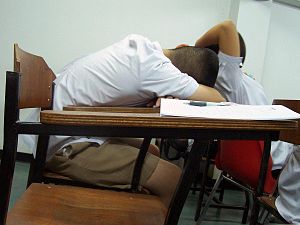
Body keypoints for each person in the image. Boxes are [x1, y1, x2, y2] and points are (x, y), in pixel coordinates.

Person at [45, 34, 225, 208]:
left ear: (180, 47)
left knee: (152, 150)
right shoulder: (159, 70)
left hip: (65, 127)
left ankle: (133, 211)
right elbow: (219, 99)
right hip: (62, 142)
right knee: (171, 178)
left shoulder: (141, 47)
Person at [194, 20, 299, 223]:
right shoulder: (227, 81)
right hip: (270, 163)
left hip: (264, 158)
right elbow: (226, 27)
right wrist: (197, 50)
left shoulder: (234, 82)